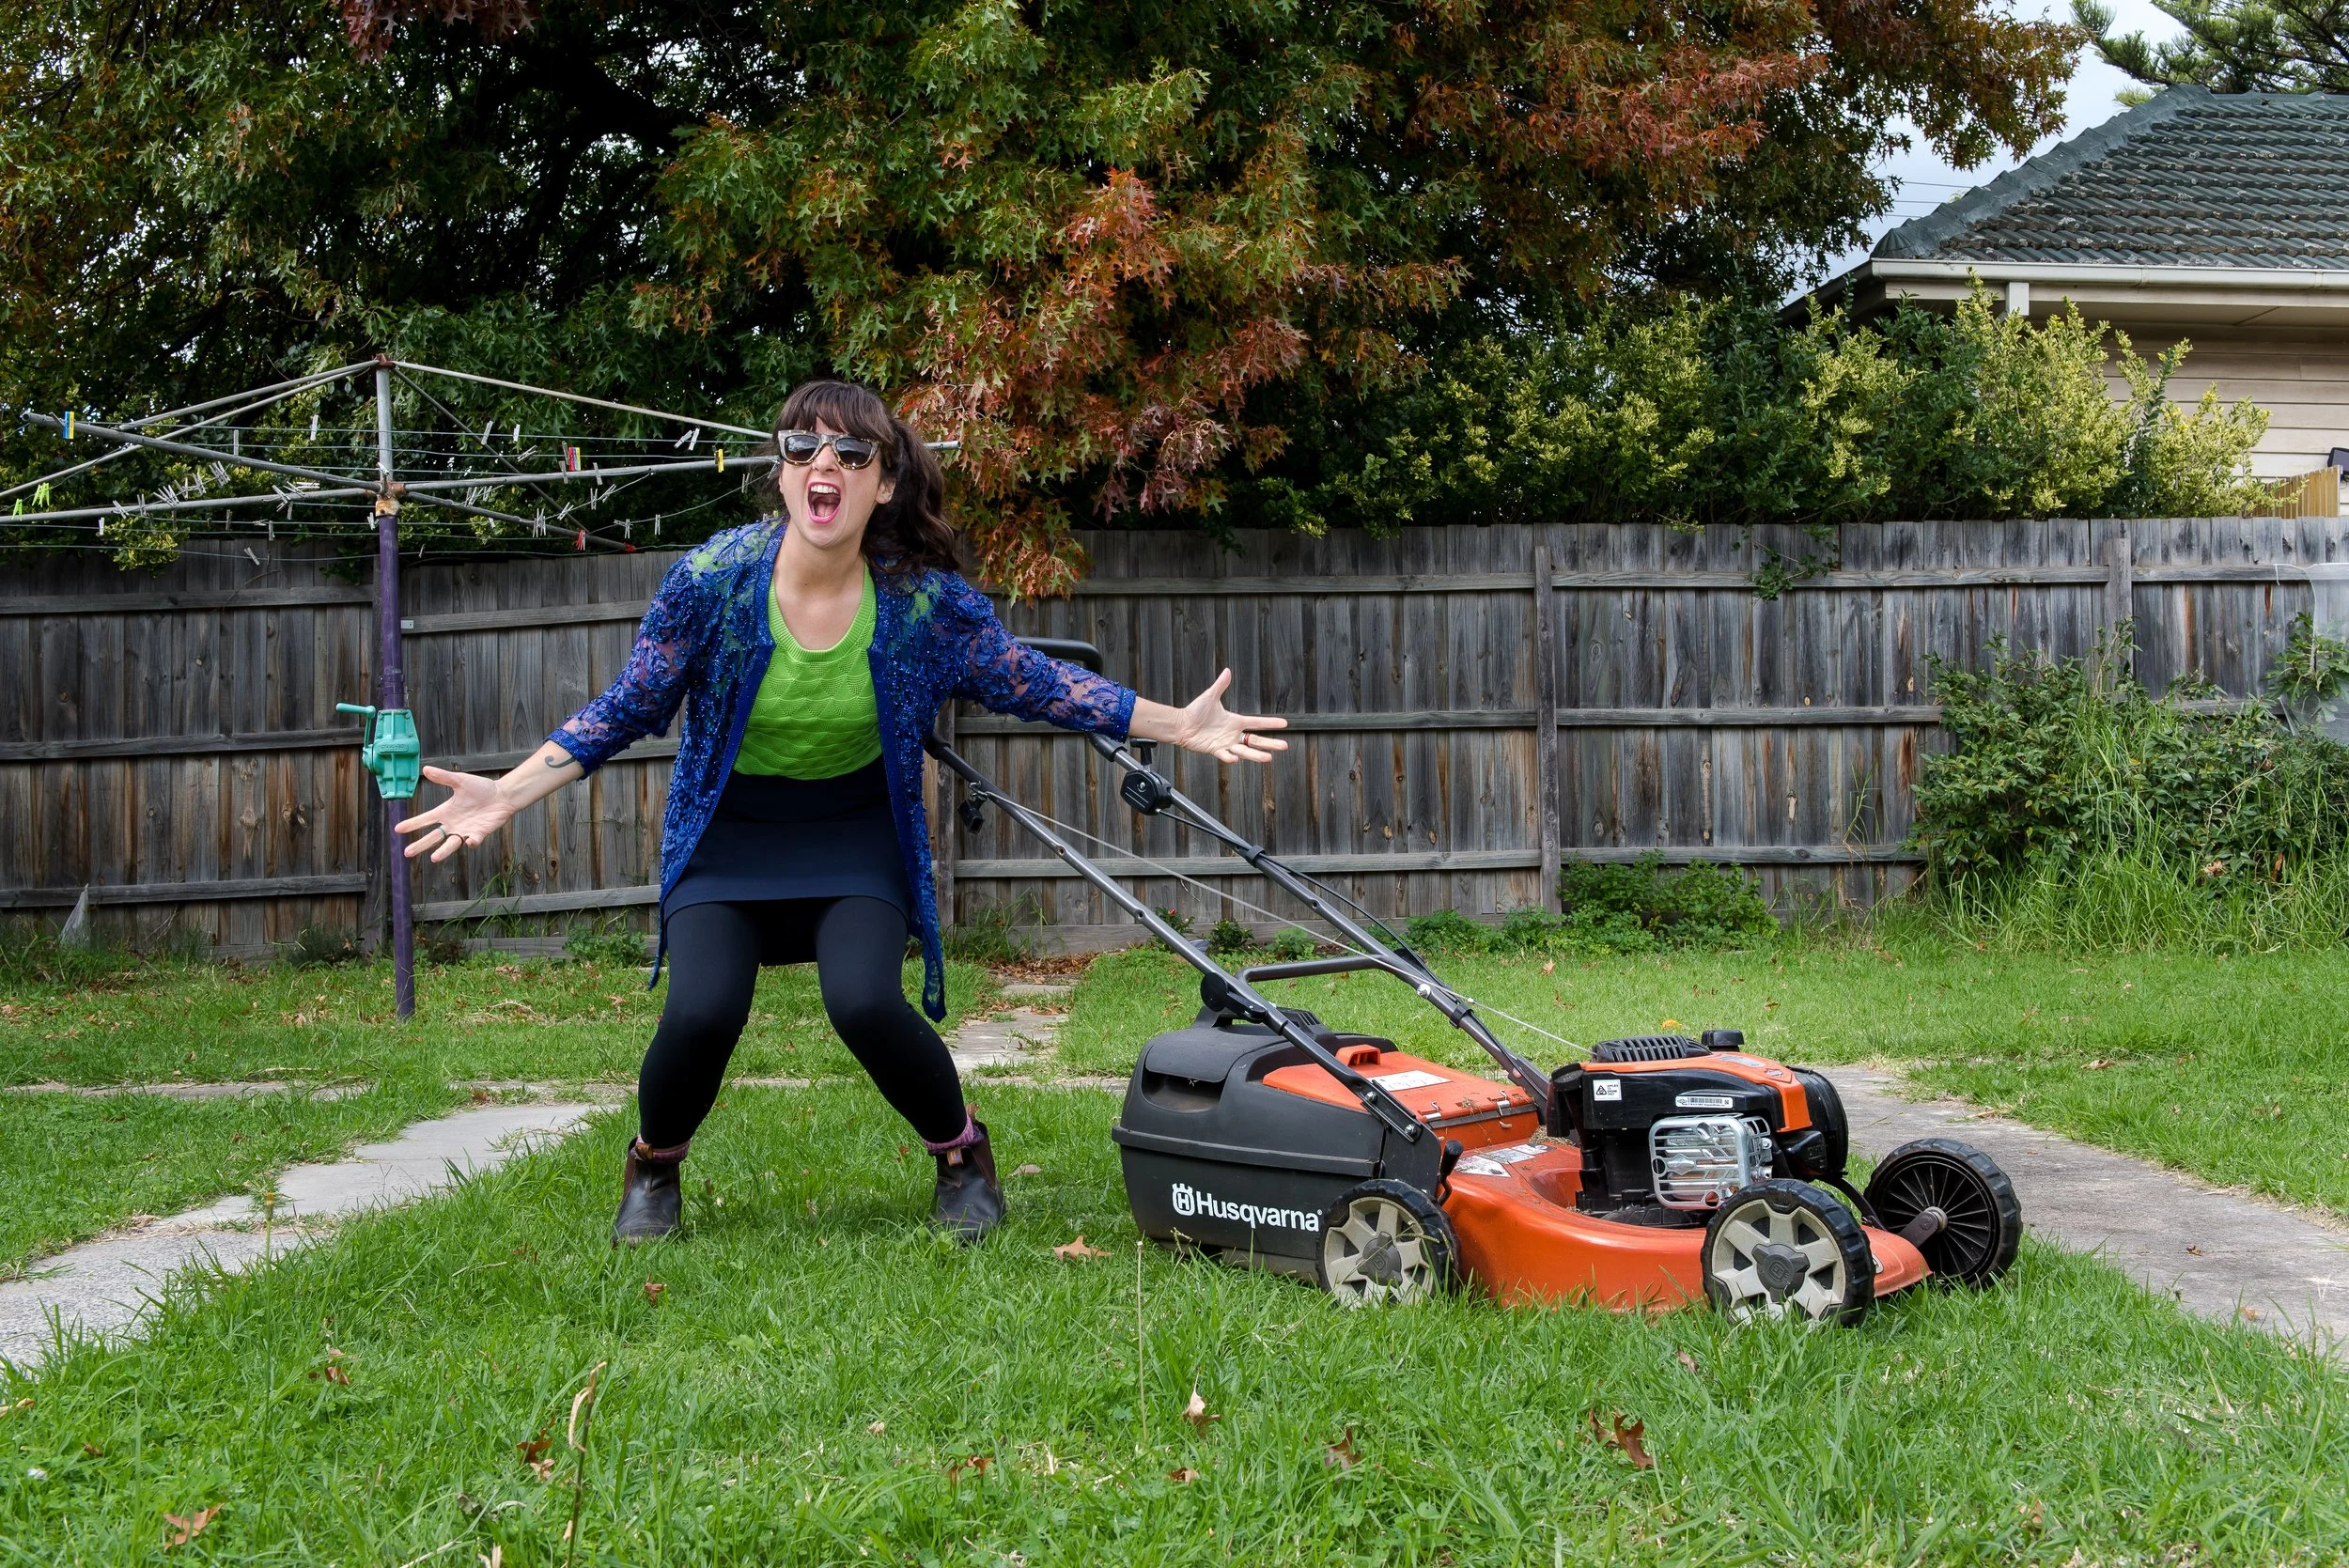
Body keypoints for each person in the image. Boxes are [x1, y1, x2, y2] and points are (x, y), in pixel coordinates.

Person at [392, 380, 1286, 1246]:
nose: (826, 461)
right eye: (803, 446)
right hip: (728, 833)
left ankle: (962, 1159)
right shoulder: (711, 581)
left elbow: (1036, 681)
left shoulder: (919, 603)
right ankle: (654, 1167)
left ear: (883, 481)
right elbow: (628, 705)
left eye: (851, 450)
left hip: (855, 829)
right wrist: (505, 791)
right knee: (701, 1012)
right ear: (782, 473)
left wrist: (1177, 724)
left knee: (863, 1000)